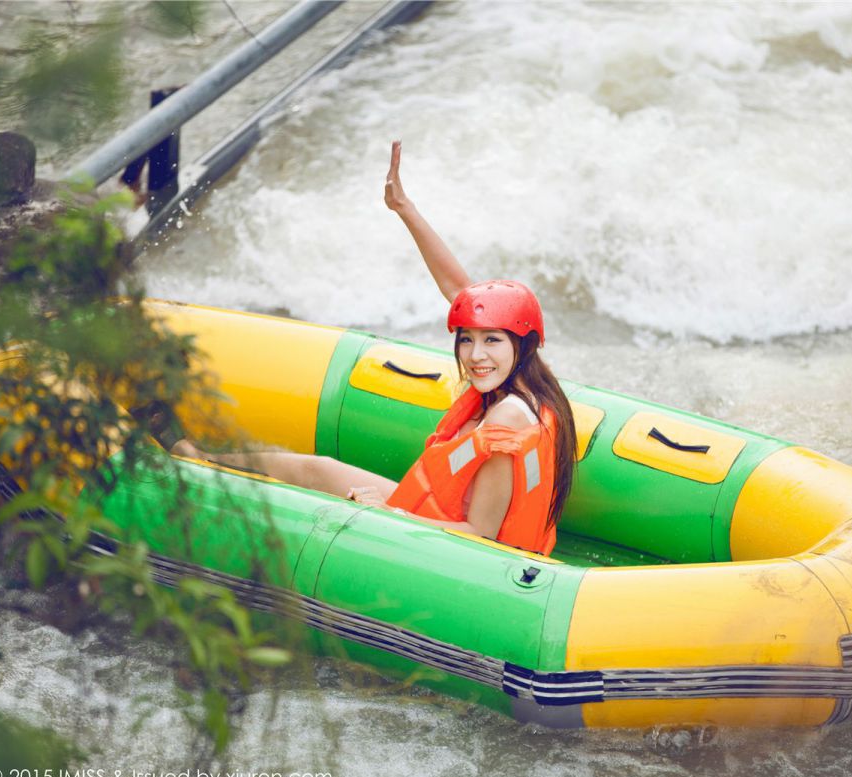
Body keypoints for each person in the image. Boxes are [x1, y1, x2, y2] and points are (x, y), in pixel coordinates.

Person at [171, 142, 576, 555]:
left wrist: (390, 513)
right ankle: (201, 462)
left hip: (457, 549)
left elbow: (483, 535)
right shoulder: (529, 386)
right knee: (317, 469)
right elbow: (460, 290)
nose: (475, 356)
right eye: (467, 340)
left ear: (521, 343)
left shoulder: (507, 418)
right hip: (438, 509)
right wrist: (404, 208)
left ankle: (194, 470)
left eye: (491, 341)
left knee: (319, 477)